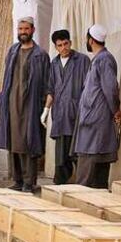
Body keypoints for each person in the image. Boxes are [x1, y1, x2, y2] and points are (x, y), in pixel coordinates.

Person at [0, 16, 50, 192]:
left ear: (33, 30)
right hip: (12, 104)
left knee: (28, 143)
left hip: (31, 105)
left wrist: (44, 107)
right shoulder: (12, 51)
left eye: (26, 29)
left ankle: (29, 182)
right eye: (20, 29)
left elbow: (46, 83)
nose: (23, 32)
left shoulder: (40, 55)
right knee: (13, 142)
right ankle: (17, 180)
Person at [74, 24, 121, 188]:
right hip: (93, 118)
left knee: (89, 160)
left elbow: (111, 89)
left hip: (96, 119)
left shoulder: (104, 60)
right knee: (97, 156)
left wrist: (116, 110)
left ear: (91, 40)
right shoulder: (99, 59)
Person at [42, 30, 90, 184]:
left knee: (78, 150)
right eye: (60, 45)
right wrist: (46, 110)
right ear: (56, 47)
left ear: (70, 42)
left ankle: (85, 185)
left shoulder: (82, 60)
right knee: (61, 154)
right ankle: (60, 185)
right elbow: (51, 89)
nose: (64, 47)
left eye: (66, 43)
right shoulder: (54, 63)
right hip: (60, 115)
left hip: (77, 113)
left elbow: (89, 87)